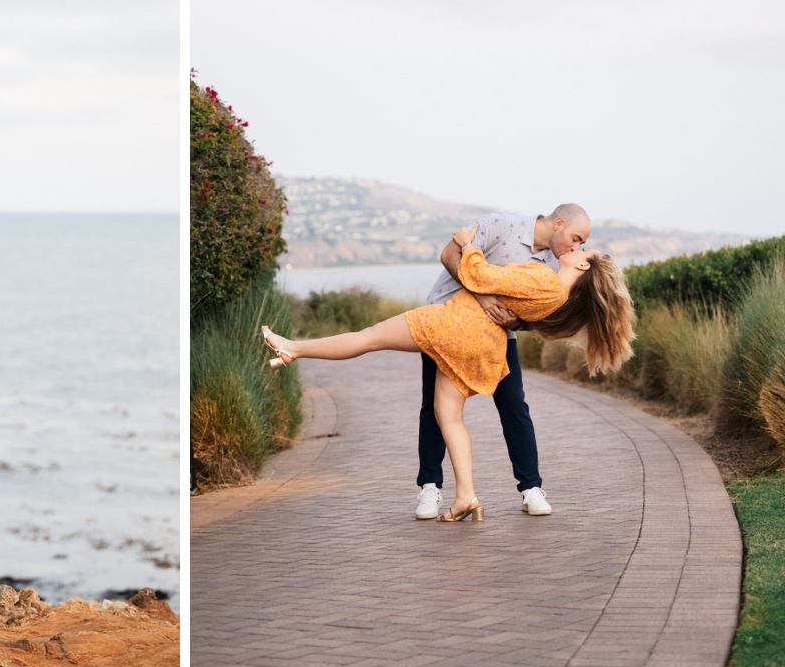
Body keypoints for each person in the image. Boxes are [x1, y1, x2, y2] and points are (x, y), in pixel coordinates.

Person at [262, 223, 634, 524]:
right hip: (483, 345)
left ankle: (293, 348)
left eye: (584, 250)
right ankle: (465, 497)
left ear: (583, 267)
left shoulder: (546, 281)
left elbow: (480, 276)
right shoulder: (556, 296)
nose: (577, 248)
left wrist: (465, 242)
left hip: (455, 325)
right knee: (449, 418)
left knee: (368, 338)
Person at [414, 205, 591, 521]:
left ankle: (531, 488)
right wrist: (484, 298)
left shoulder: (556, 264)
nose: (575, 248)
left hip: (497, 335)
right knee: (435, 407)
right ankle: (430, 486)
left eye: (580, 245)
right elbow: (449, 254)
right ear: (558, 223)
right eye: (575, 239)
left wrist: (518, 322)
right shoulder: (503, 224)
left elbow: (536, 313)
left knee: (513, 404)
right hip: (445, 321)